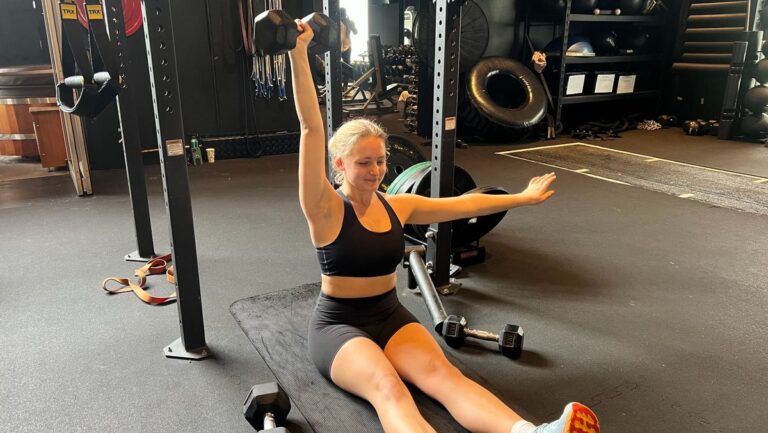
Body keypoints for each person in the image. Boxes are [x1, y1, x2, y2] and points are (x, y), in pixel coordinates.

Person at [288, 20, 600, 433]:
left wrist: (520, 198)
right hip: (338, 325)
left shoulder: (396, 206)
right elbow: (311, 127)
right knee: (388, 388)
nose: (376, 170)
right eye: (364, 163)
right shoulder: (323, 207)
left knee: (446, 378)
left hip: (389, 315)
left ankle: (530, 432)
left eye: (380, 161)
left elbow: (462, 203)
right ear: (340, 164)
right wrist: (297, 52)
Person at [339, 7, 357, 88]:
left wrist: (352, 25)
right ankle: (339, 85)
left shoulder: (348, 22)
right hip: (337, 47)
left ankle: (345, 86)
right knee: (337, 66)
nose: (342, 16)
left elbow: (355, 32)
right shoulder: (336, 22)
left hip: (347, 46)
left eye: (343, 14)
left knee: (347, 65)